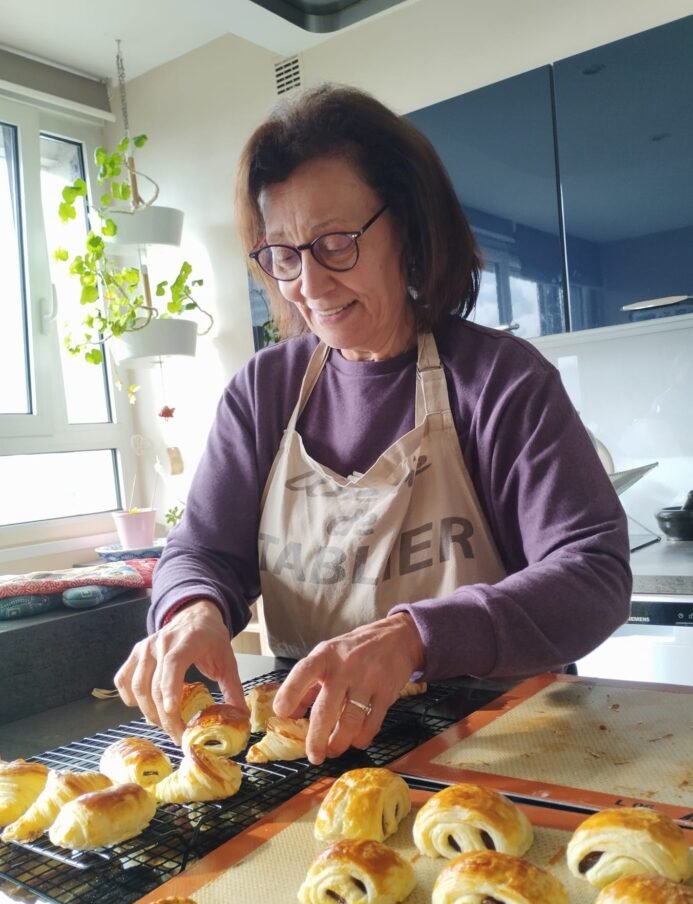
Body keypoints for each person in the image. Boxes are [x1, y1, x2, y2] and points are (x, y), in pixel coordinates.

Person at [114, 84, 631, 765]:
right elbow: (206, 552)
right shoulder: (264, 391)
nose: (310, 286)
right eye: (284, 253)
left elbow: (591, 575)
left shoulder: (499, 381)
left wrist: (415, 636)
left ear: (409, 229)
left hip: (502, 753)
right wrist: (192, 609)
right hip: (314, 763)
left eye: (335, 243)